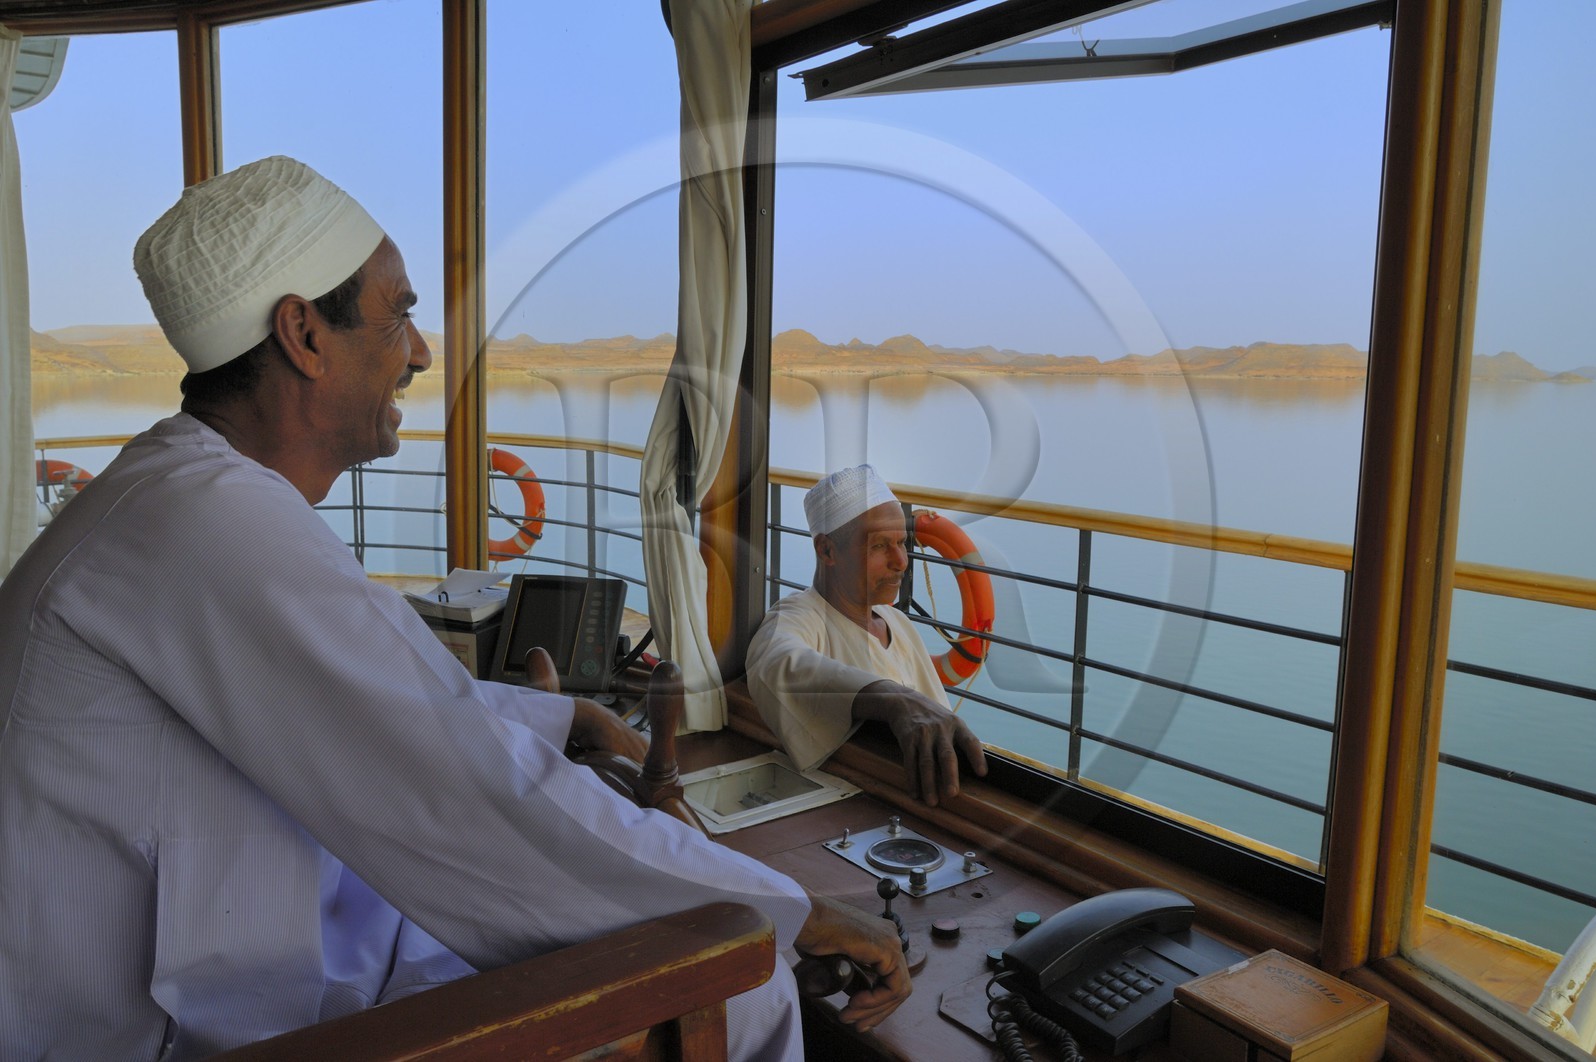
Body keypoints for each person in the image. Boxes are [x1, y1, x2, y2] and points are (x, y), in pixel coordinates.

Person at [0, 156, 906, 1062]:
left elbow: (382, 705)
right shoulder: (207, 522)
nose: (422, 350)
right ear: (304, 336)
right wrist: (784, 909)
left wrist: (559, 717)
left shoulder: (176, 492)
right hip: (155, 1032)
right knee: (739, 987)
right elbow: (466, 792)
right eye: (399, 314)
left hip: (242, 947)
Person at [746, 464, 987, 807]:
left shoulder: (898, 623)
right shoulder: (799, 616)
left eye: (902, 543)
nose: (901, 561)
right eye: (879, 546)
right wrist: (894, 699)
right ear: (827, 550)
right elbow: (776, 660)